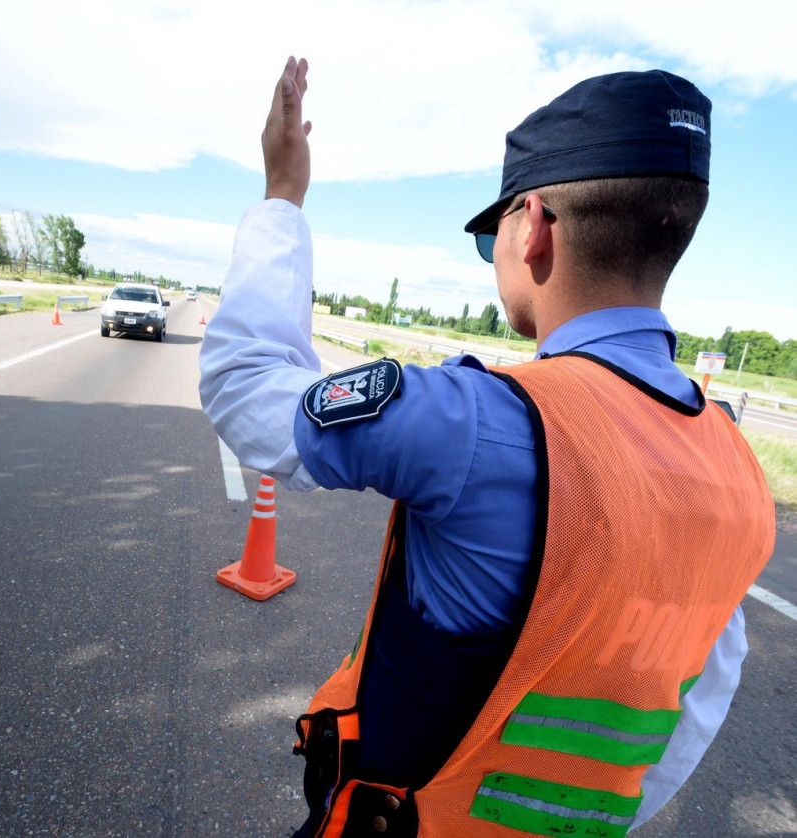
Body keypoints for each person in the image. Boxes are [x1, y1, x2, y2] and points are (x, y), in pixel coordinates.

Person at [198, 57, 776, 837]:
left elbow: (245, 386)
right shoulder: (738, 471)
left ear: (532, 225)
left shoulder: (479, 417)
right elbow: (694, 705)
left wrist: (281, 198)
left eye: (491, 232)